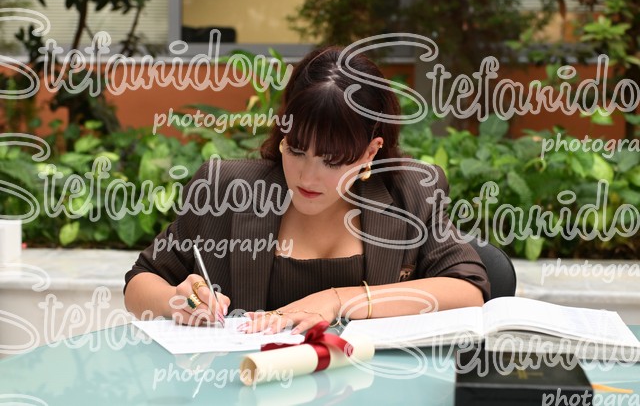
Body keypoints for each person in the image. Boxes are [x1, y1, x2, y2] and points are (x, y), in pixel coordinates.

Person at [123, 46, 489, 335]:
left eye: (332, 160)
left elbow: (468, 289)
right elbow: (140, 281)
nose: (308, 177)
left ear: (370, 152)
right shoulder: (225, 189)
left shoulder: (411, 193)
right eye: (297, 150)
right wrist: (176, 301)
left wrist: (338, 300)